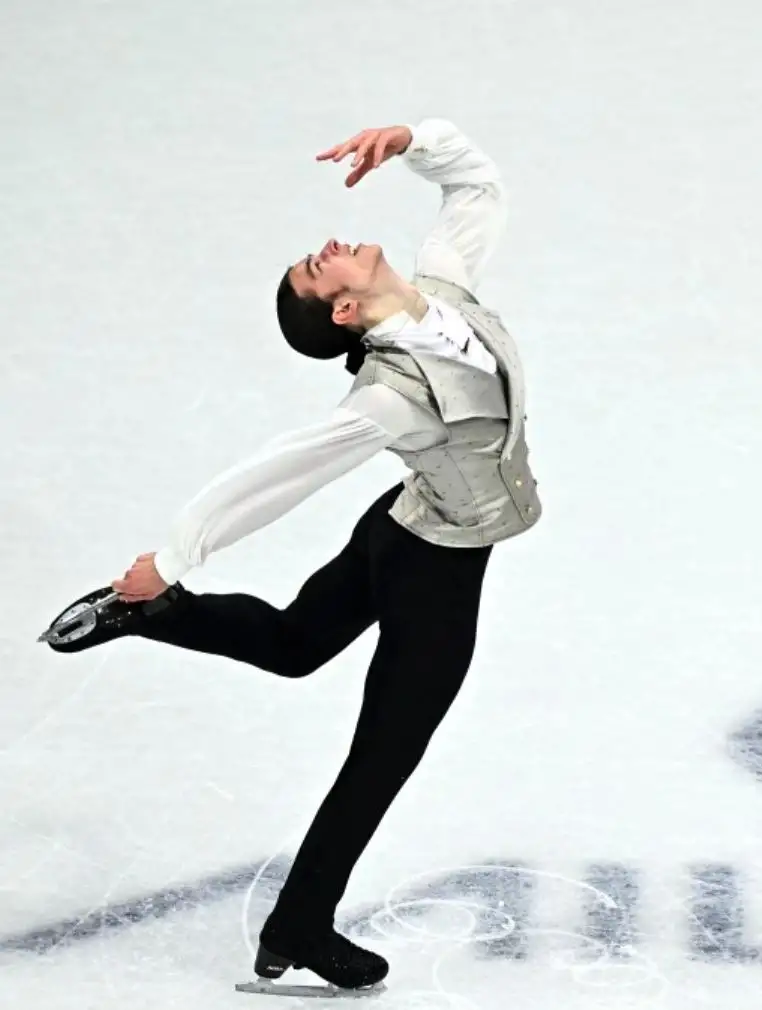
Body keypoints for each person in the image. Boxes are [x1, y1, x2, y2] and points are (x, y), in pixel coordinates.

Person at [37, 117, 542, 995]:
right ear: (345, 312)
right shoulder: (387, 399)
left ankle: (152, 616)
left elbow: (480, 190)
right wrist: (174, 552)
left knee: (294, 644)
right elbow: (276, 476)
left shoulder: (441, 290)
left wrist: (415, 139)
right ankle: (300, 925)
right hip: (436, 566)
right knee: (383, 755)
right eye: (321, 268)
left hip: (402, 523)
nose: (329, 246)